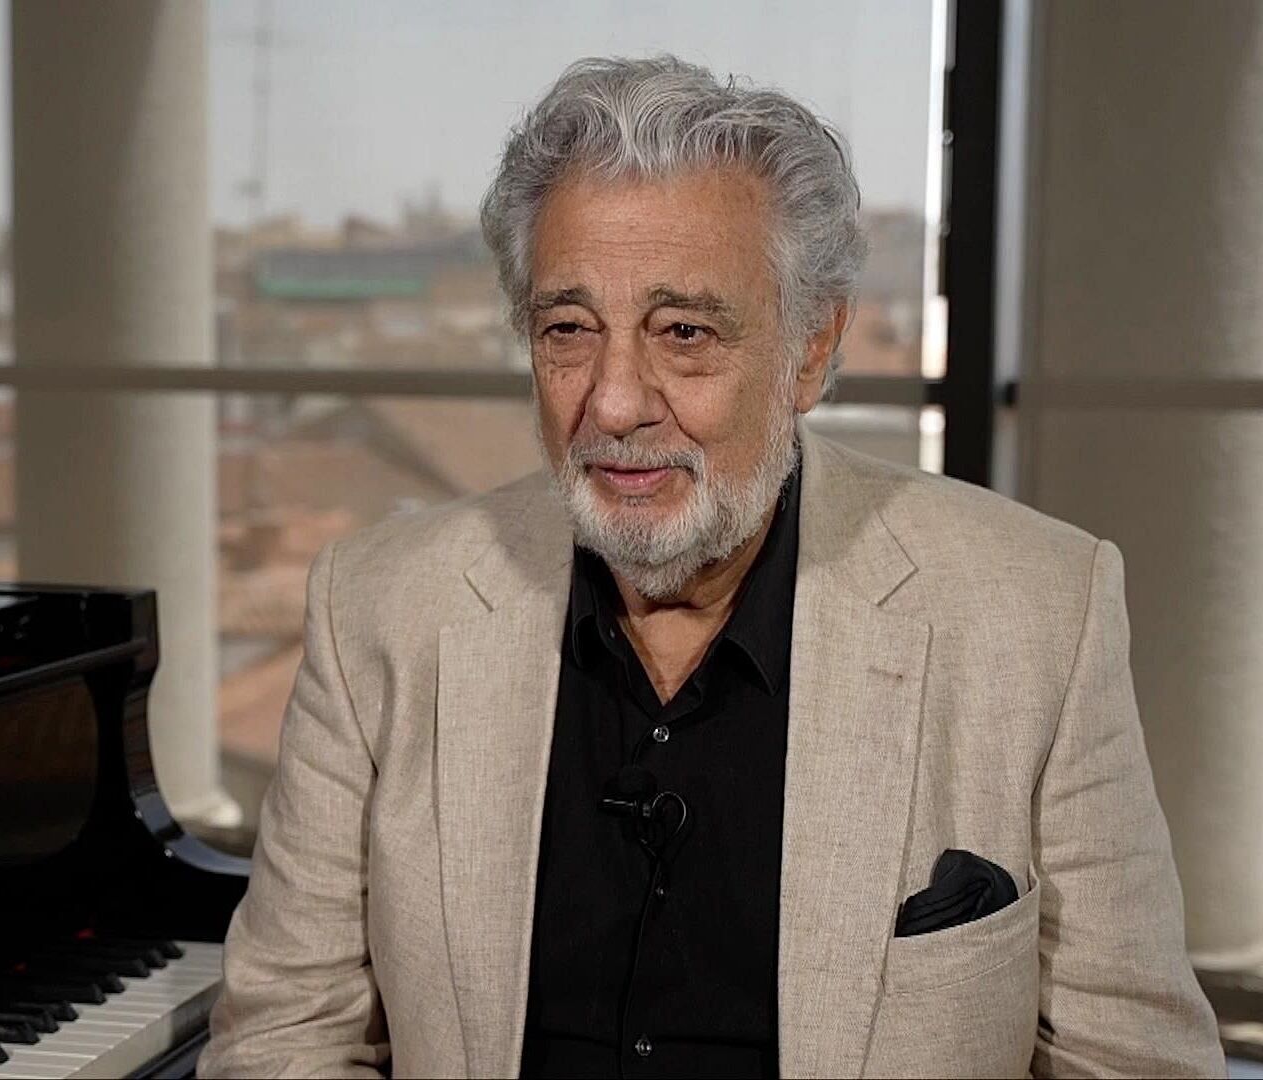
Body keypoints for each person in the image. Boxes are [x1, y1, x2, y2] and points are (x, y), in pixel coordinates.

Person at [198, 56, 1224, 1078]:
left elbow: (1135, 1065)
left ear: (811, 349)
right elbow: (282, 1039)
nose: (613, 403)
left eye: (684, 332)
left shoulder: (1039, 613)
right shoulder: (377, 609)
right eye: (568, 331)